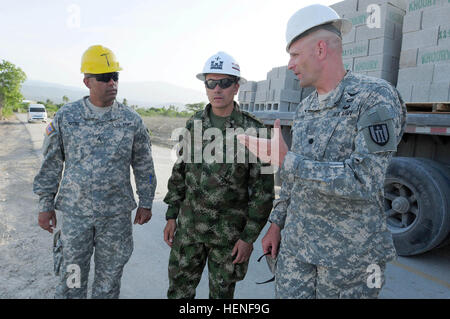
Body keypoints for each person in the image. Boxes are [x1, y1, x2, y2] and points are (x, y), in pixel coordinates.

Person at [238, 4, 406, 299]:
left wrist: (286, 160)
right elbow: (292, 180)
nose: (290, 64)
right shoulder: (306, 108)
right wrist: (276, 224)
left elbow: (364, 180)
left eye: (294, 55)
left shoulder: (373, 97)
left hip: (348, 261)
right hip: (297, 251)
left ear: (319, 49)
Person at [33, 44, 157, 299]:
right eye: (104, 78)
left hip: (115, 218)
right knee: (72, 279)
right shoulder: (67, 117)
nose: (112, 83)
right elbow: (51, 164)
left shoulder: (131, 120)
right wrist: (45, 205)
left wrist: (146, 201)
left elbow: (145, 165)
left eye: (115, 77)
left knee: (108, 282)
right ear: (87, 81)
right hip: (76, 215)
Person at [163, 51, 274, 299]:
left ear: (236, 87)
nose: (217, 89)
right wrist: (171, 216)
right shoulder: (193, 124)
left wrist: (248, 238)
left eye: (224, 83)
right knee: (178, 294)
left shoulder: (255, 131)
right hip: (189, 232)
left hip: (228, 238)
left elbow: (263, 193)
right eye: (210, 83)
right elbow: (179, 173)